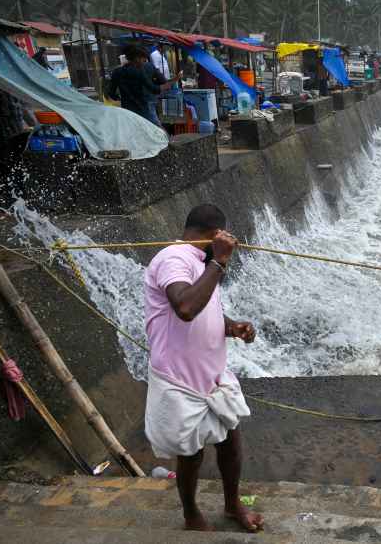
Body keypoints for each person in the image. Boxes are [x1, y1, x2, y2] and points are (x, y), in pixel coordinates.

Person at [144, 204, 264, 533]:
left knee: (230, 440)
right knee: (191, 455)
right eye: (221, 239)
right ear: (214, 237)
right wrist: (220, 261)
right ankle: (191, 514)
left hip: (212, 374)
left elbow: (204, 306)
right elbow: (184, 306)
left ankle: (231, 504)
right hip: (180, 379)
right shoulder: (173, 259)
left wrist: (231, 327)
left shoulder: (200, 263)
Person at [106, 45, 180, 126]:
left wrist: (121, 98)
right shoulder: (139, 72)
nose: (145, 61)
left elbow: (111, 93)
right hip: (143, 112)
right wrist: (174, 80)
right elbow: (154, 89)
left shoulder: (117, 72)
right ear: (137, 58)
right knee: (158, 132)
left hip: (127, 112)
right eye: (143, 58)